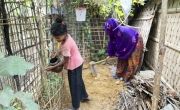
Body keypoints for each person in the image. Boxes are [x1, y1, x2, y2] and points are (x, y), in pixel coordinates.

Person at [46, 17, 89, 110]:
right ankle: (84, 96)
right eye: (55, 37)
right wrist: (57, 53)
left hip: (73, 65)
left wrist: (53, 67)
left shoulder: (65, 44)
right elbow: (62, 48)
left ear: (64, 33)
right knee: (79, 81)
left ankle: (75, 106)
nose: (56, 39)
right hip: (78, 62)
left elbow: (65, 61)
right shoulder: (67, 37)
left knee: (74, 85)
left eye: (58, 37)